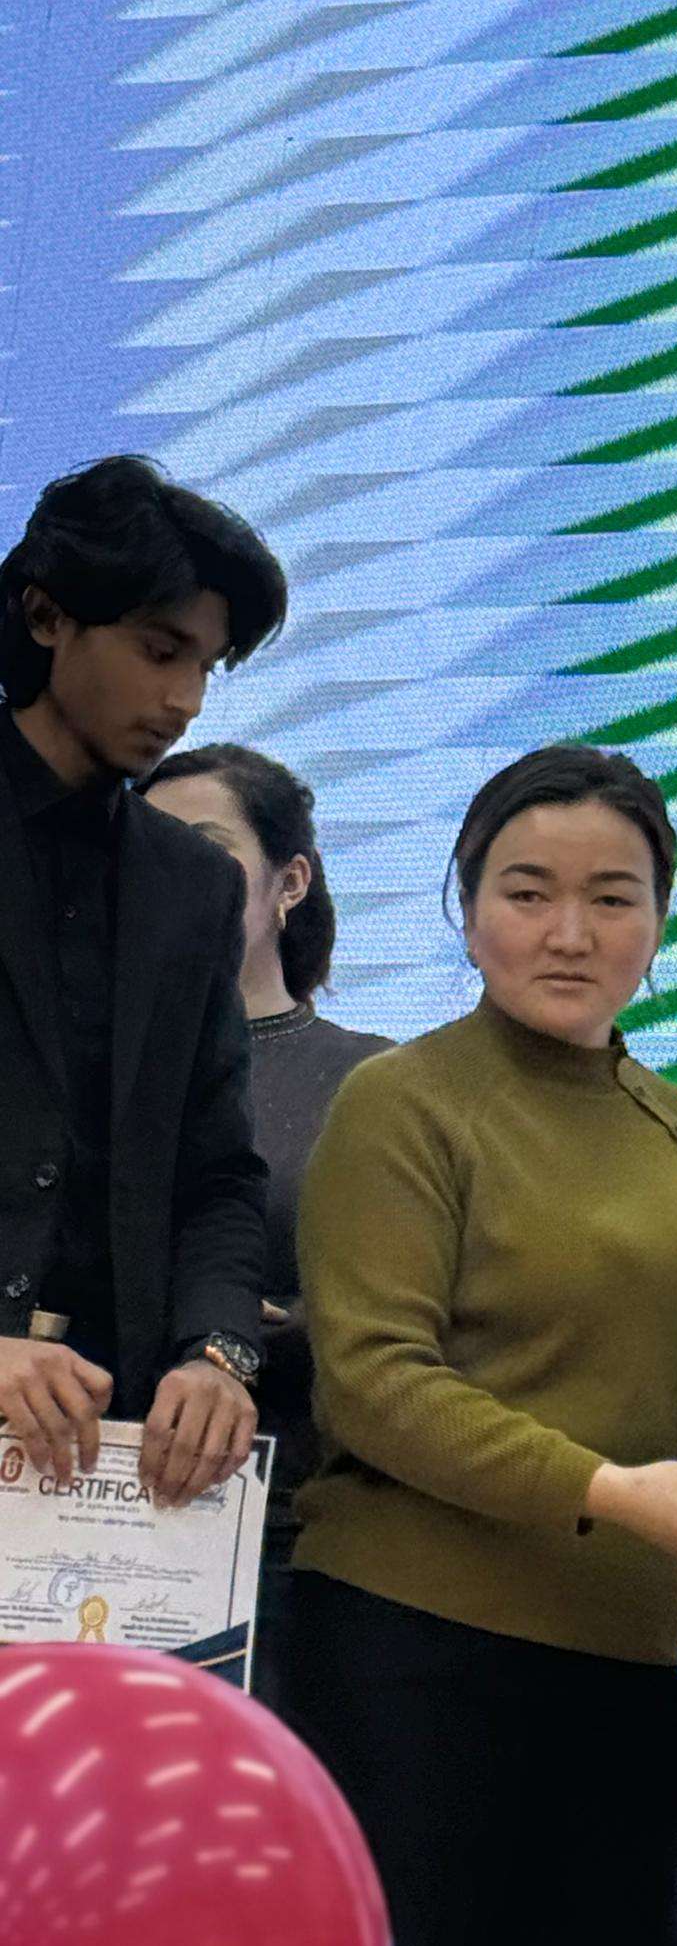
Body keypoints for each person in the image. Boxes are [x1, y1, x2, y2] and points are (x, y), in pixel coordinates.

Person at [282, 745, 677, 1946]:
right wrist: (605, 1491)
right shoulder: (403, 1100)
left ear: (662, 918)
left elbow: (668, 1376)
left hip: (623, 1671)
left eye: (613, 897)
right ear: (466, 905)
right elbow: (376, 1382)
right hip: (418, 1662)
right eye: (528, 891)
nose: (570, 932)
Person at [0, 456, 285, 1509]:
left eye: (206, 666)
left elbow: (218, 1175)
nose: (185, 700)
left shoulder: (194, 885)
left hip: (101, 1470)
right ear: (46, 616)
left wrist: (217, 1353)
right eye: (160, 651)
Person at [141, 744, 389, 1700]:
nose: (170, 879)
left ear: (291, 882)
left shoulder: (375, 1084)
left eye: (204, 849)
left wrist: (247, 1329)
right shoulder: (70, 1071)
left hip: (296, 1541)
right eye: (146, 851)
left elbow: (432, 1316)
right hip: (75, 1516)